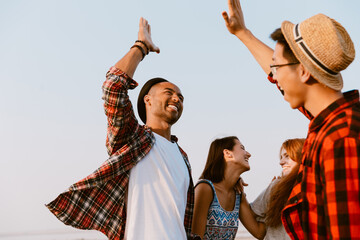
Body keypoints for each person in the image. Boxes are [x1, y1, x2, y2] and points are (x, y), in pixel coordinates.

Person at [46, 18, 195, 240]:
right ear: (148, 100)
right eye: (169, 93)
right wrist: (141, 46)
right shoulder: (133, 137)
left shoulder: (182, 157)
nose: (177, 98)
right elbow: (113, 86)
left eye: (181, 97)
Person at [222, 0, 360, 239]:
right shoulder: (330, 123)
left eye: (276, 67)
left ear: (304, 72)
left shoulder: (341, 139)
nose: (274, 77)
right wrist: (243, 33)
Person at [191, 136, 266, 240]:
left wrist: (274, 192)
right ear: (227, 153)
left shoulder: (238, 194)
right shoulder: (205, 188)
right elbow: (195, 237)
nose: (249, 154)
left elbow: (259, 232)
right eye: (242, 148)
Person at [251, 138, 305, 240]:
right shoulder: (275, 187)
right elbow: (252, 213)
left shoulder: (313, 187)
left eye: (287, 156)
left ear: (301, 156)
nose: (281, 162)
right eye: (281, 157)